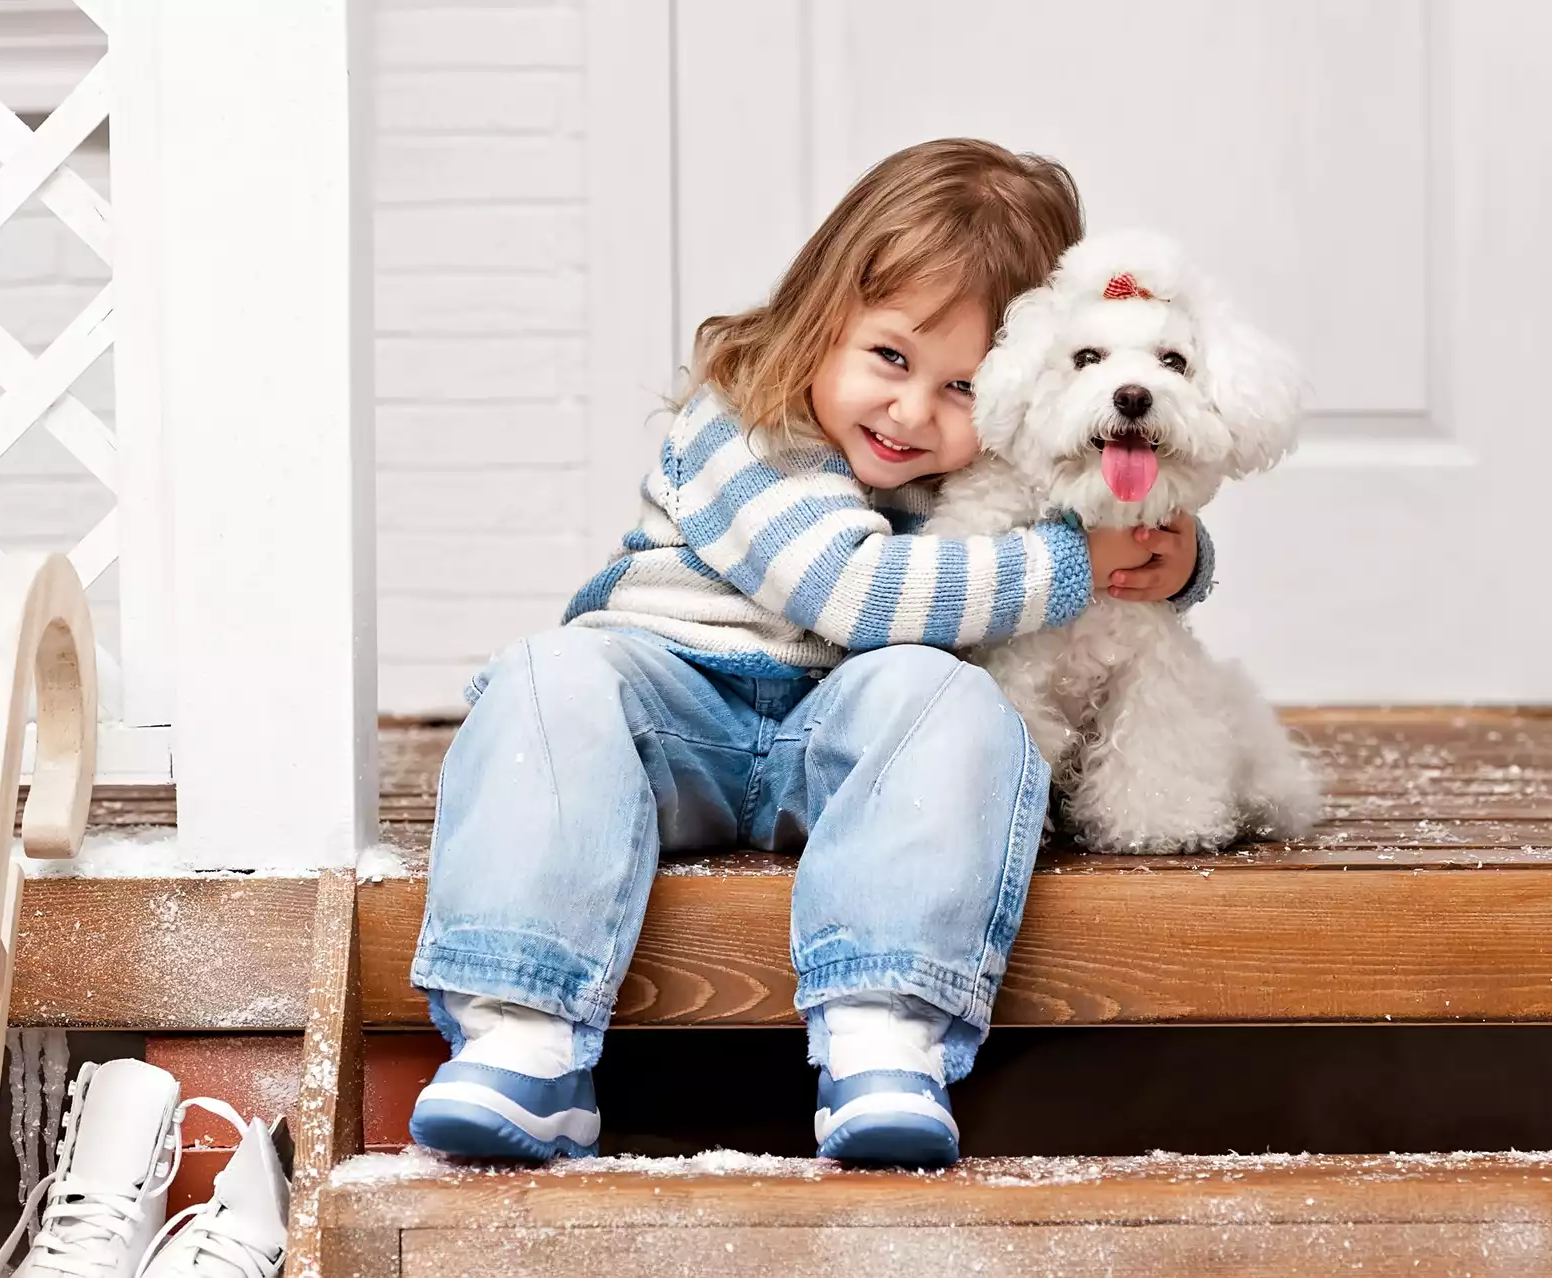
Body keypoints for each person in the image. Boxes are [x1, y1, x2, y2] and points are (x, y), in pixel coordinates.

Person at [406, 138, 1212, 1168]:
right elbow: (853, 590)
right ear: (824, 313)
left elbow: (1093, 513)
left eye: (964, 388)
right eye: (891, 358)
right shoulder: (744, 423)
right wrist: (1076, 561)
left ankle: (886, 1034)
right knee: (546, 678)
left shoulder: (985, 464)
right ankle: (523, 1040)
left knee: (957, 704)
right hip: (672, 715)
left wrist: (1170, 556)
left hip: (840, 745)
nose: (912, 412)